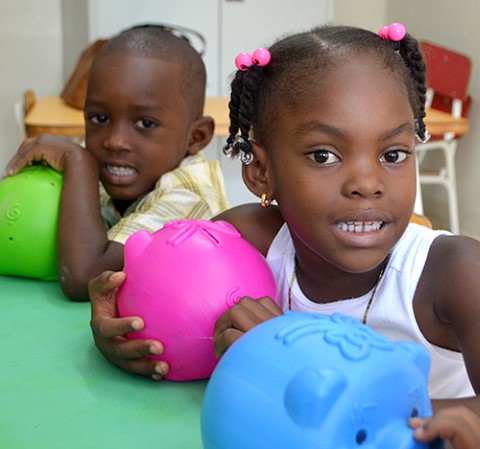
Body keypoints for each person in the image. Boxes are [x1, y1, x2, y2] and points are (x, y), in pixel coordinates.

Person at [88, 23, 480, 417]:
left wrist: (285, 363)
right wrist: (124, 337)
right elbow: (152, 300)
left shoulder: (455, 273)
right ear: (261, 171)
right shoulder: (242, 243)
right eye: (324, 155)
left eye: (393, 154)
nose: (367, 184)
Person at [4, 25, 229, 301]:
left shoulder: (189, 198)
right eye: (99, 118)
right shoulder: (130, 169)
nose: (115, 142)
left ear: (196, 137)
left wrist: (79, 162)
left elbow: (85, 276)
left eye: (146, 123)